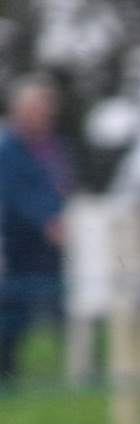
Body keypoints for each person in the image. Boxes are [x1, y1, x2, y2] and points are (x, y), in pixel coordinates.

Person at [0, 76, 73, 388]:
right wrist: (46, 221)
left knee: (61, 306)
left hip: (52, 242)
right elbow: (14, 194)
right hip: (20, 243)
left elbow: (64, 185)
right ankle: (7, 374)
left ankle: (73, 371)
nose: (43, 117)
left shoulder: (52, 147)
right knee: (14, 309)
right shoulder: (9, 148)